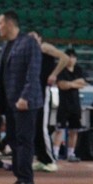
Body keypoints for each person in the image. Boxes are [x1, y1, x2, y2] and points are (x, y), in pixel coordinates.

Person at [0, 10, 42, 184]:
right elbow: (2, 77)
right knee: (14, 140)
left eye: (0, 23)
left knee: (24, 140)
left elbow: (33, 72)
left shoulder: (29, 43)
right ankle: (19, 176)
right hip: (10, 103)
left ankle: (26, 179)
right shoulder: (7, 46)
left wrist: (26, 97)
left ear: (9, 24)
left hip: (25, 103)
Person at [30, 32, 70, 172]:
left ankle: (50, 159)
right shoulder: (30, 52)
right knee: (34, 127)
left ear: (40, 39)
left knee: (41, 126)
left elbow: (64, 58)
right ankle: (41, 158)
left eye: (34, 38)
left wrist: (54, 74)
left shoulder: (44, 47)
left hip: (43, 91)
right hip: (34, 91)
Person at [53, 48, 88, 163]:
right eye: (69, 57)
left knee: (74, 130)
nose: (71, 60)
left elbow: (83, 83)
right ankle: (55, 153)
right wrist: (74, 84)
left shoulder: (78, 69)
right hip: (64, 104)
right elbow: (61, 85)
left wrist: (70, 84)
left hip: (75, 104)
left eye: (73, 57)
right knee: (60, 129)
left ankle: (71, 153)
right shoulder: (61, 70)